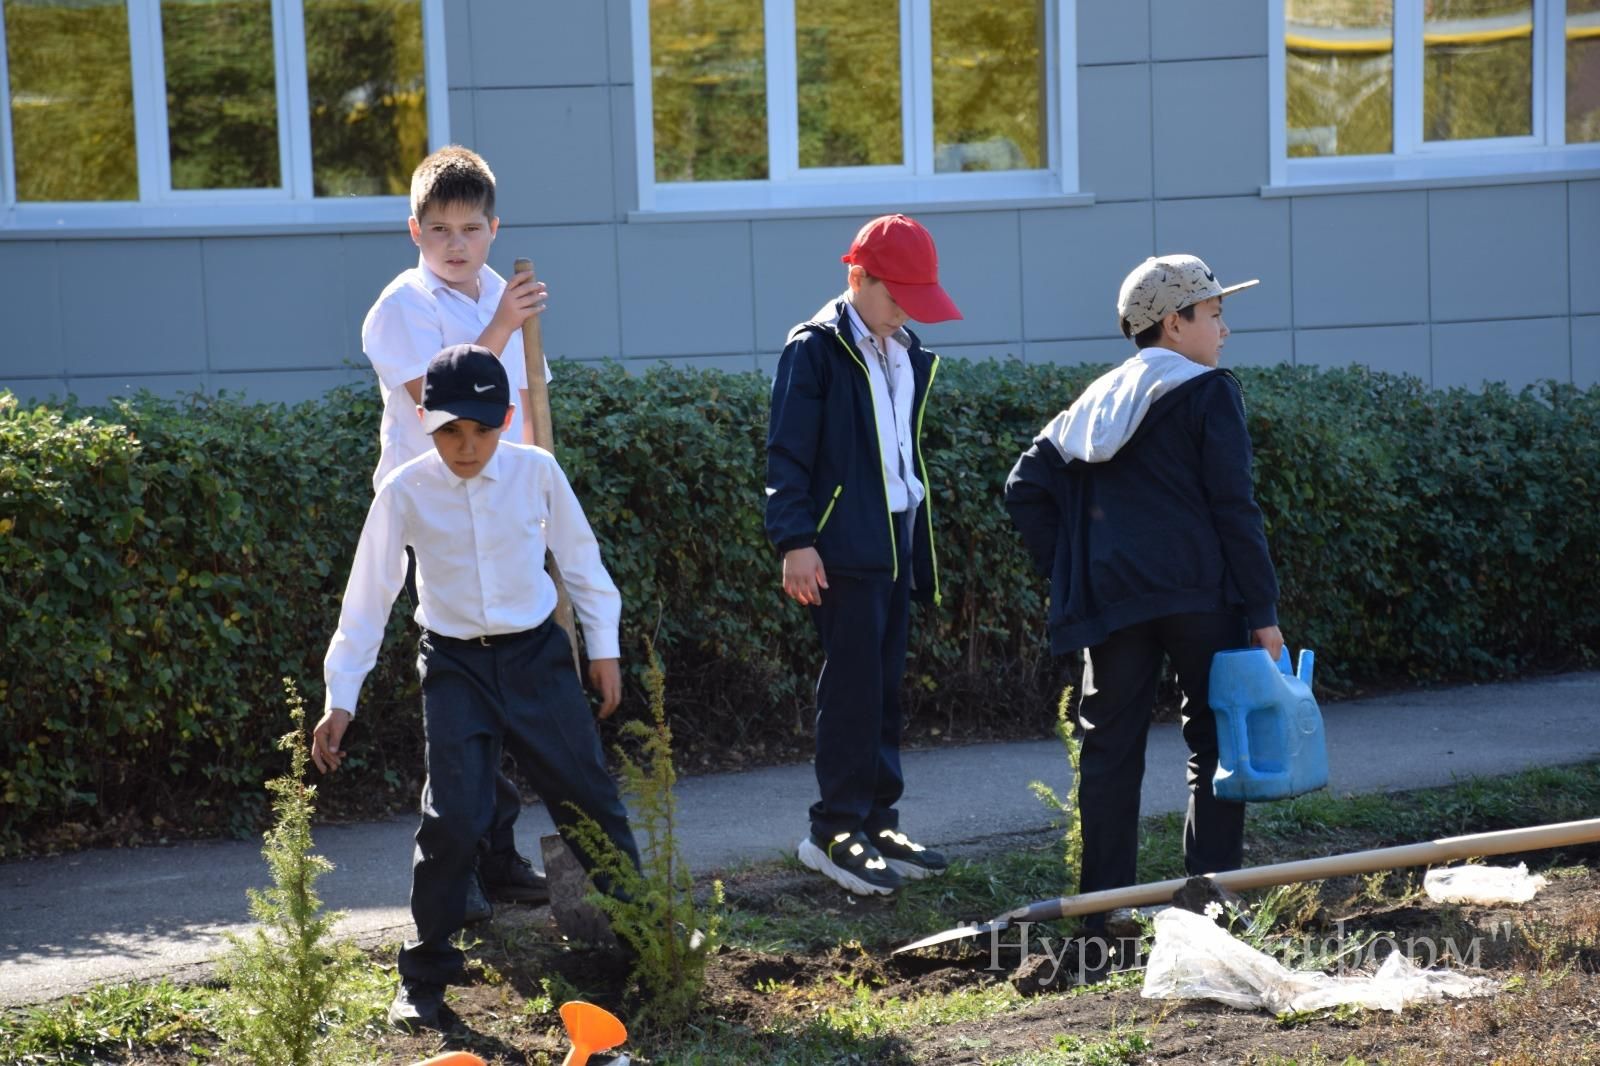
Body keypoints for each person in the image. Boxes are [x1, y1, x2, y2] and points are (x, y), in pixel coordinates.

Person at [312, 344, 641, 1032]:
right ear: (425, 420)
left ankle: (648, 948)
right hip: (455, 667)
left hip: (537, 661)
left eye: (483, 430)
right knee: (453, 820)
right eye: (451, 431)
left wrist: (603, 648)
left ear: (508, 420)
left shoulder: (536, 472)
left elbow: (582, 562)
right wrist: (340, 697)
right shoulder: (404, 490)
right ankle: (424, 974)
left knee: (590, 800)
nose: (467, 446)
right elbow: (369, 598)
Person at [1004, 253, 1286, 943]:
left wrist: (1074, 569)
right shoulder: (1209, 392)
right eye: (1214, 314)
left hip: (1114, 604)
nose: (1224, 331)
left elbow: (1023, 488)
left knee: (1109, 751)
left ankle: (1102, 916)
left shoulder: (1096, 402)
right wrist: (1264, 613)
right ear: (1173, 322)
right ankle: (1211, 907)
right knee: (1215, 740)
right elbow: (1235, 509)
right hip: (1201, 597)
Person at [360, 144, 552, 915]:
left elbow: (526, 406)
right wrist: (503, 326)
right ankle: (456, 870)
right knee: (460, 689)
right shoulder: (399, 309)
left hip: (504, 509)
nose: (456, 243)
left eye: (471, 227)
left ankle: (498, 856)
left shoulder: (503, 293)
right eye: (439, 228)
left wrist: (542, 489)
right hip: (437, 516)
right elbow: (446, 406)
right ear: (415, 230)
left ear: (493, 228)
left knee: (502, 681)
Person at [764, 214, 961, 897]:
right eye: (897, 295)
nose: (907, 311)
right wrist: (795, 539)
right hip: (841, 544)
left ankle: (878, 819)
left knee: (883, 687)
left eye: (915, 298)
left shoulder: (899, 345)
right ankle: (833, 830)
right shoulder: (813, 349)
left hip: (896, 536)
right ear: (858, 278)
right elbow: (786, 454)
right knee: (849, 690)